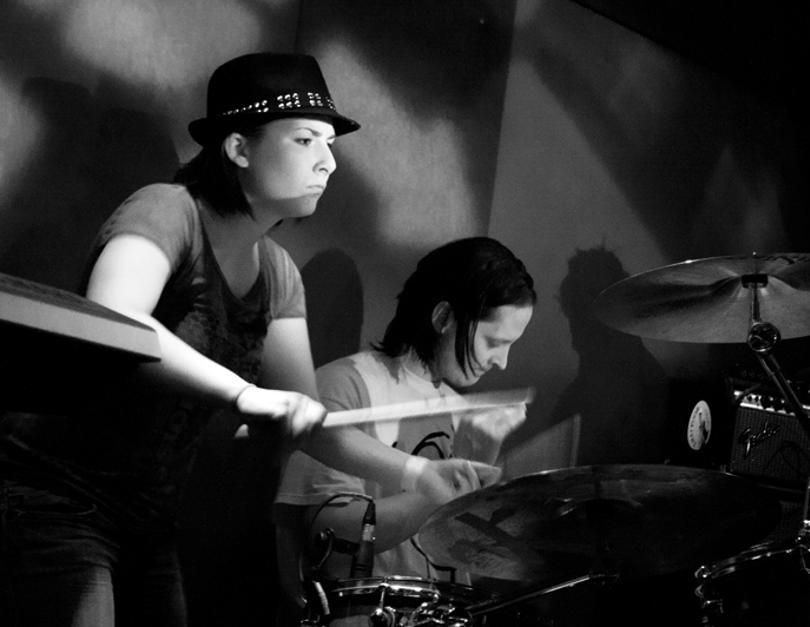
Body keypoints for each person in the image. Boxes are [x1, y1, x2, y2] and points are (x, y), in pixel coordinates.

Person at [0, 52, 488, 627]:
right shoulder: (167, 209)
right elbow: (116, 322)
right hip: (56, 497)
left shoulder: (278, 273)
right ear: (238, 147)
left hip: (148, 519)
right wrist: (242, 393)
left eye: (330, 144)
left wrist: (417, 474)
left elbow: (311, 422)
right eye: (306, 140)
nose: (329, 162)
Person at [273, 237, 536, 622]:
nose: (502, 362)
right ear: (444, 318)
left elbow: (472, 558)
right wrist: (445, 488)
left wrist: (480, 469)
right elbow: (331, 538)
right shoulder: (344, 385)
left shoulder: (461, 410)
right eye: (494, 342)